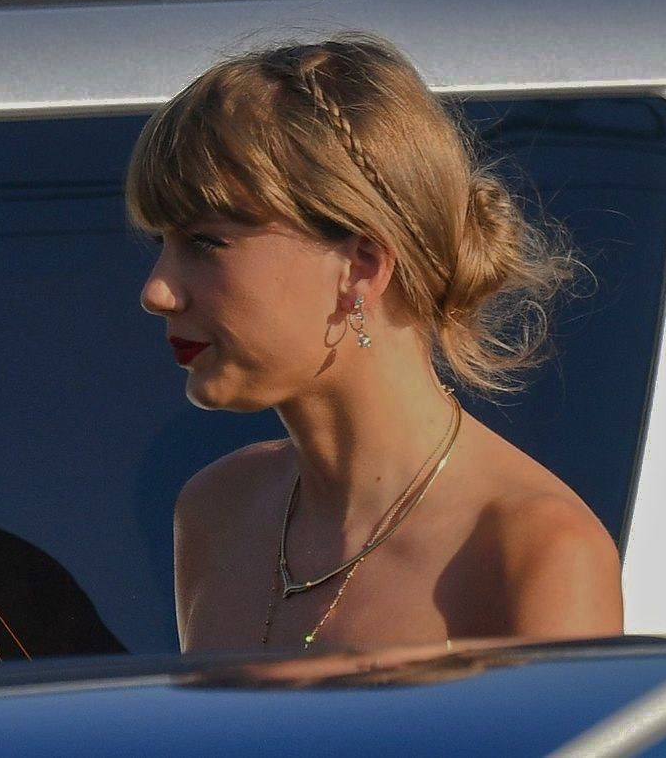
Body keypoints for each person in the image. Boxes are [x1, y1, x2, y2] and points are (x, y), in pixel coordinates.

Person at [125, 34, 623, 653]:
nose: (157, 292)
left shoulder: (535, 550)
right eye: (160, 245)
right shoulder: (217, 511)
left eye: (205, 242)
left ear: (360, 265)